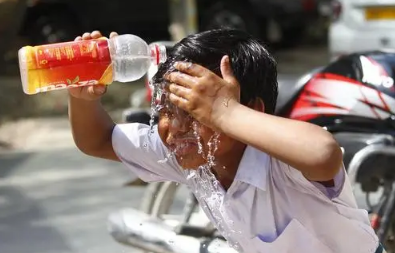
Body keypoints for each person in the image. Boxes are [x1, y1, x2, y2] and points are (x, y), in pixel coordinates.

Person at [69, 29, 382, 253]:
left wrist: (224, 114)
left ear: (251, 111)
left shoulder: (280, 163)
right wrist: (82, 99)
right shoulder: (190, 154)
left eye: (194, 112)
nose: (175, 128)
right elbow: (98, 140)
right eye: (166, 110)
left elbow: (324, 153)